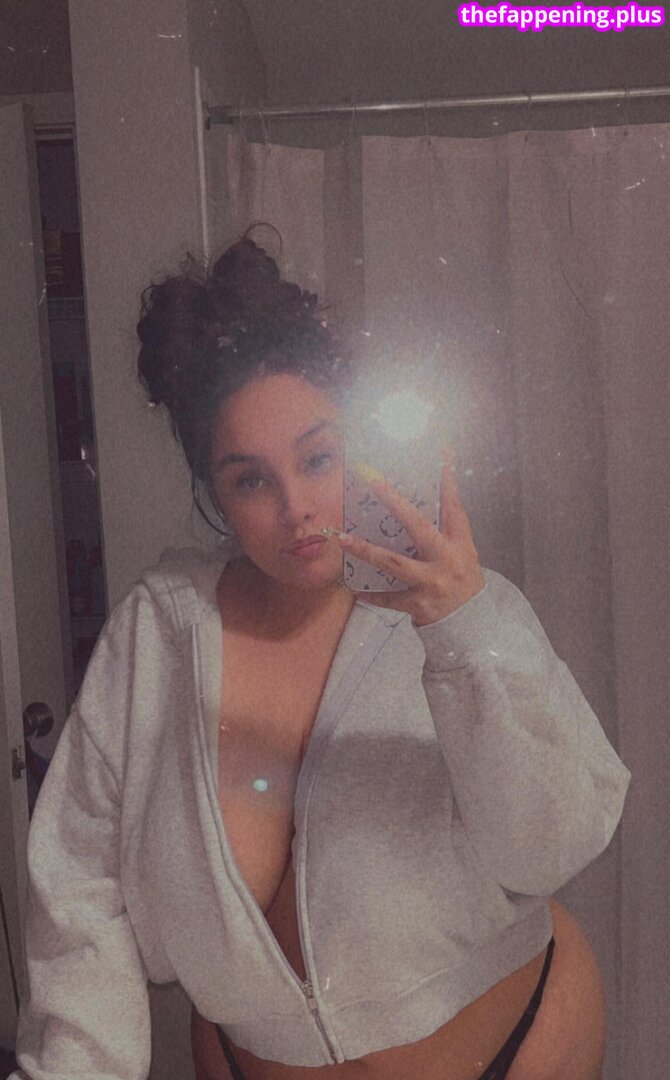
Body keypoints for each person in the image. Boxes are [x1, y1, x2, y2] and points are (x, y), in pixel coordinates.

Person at [11, 234, 630, 1080]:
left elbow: (550, 848)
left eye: (317, 458)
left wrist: (462, 632)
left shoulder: (458, 611)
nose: (297, 506)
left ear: (357, 448)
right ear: (215, 493)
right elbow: (79, 890)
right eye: (251, 479)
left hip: (515, 1045)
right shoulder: (157, 638)